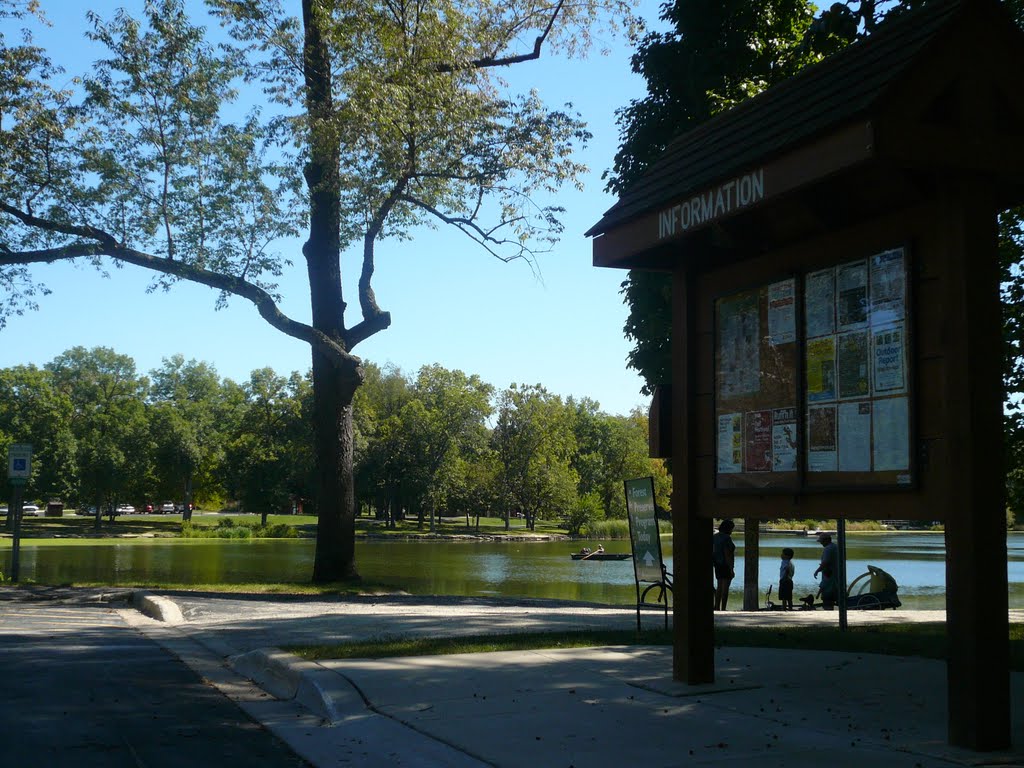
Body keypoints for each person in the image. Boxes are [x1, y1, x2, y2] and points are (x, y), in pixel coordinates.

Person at [712, 519, 736, 611]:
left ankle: (716, 606)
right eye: (732, 528)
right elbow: (727, 554)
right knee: (725, 588)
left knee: (719, 587)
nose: (732, 530)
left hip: (717, 564)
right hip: (726, 565)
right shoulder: (726, 538)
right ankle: (723, 608)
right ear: (728, 528)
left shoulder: (714, 537)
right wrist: (731, 569)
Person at [814, 533, 839, 609]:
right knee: (834, 596)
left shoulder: (828, 549)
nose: (821, 543)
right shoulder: (835, 547)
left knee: (827, 597)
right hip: (836, 576)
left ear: (826, 540)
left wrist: (817, 571)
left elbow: (825, 562)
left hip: (829, 576)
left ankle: (828, 609)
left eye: (821, 541)